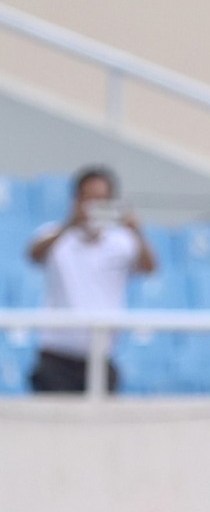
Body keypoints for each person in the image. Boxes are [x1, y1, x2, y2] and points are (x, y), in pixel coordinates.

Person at [26, 165, 155, 393]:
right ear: (76, 200)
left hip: (100, 358)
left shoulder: (122, 241)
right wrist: (71, 224)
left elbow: (149, 268)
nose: (95, 207)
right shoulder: (56, 236)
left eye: (102, 200)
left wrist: (137, 231)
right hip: (57, 357)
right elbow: (34, 255)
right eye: (89, 199)